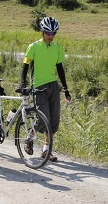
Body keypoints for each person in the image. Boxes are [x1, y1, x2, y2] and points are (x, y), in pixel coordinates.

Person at [17, 16, 72, 163]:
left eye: (54, 33)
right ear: (42, 31)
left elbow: (60, 69)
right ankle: (29, 138)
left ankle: (46, 150)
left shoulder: (57, 47)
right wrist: (22, 84)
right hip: (39, 86)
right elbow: (25, 67)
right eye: (48, 33)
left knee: (54, 120)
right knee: (43, 117)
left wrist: (66, 89)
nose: (51, 36)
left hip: (53, 85)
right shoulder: (33, 47)